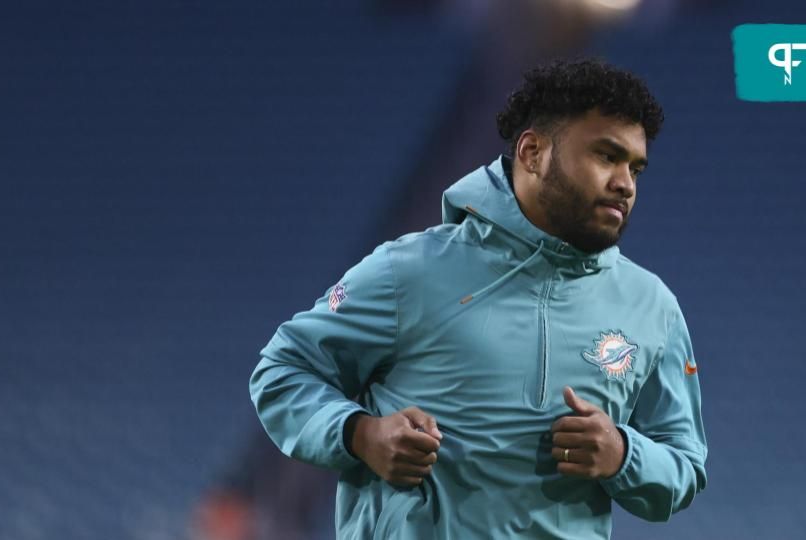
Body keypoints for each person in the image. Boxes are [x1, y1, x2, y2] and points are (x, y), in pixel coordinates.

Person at [249, 58, 708, 539]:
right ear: (532, 152)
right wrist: (361, 434)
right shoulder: (409, 270)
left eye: (635, 167)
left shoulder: (652, 306)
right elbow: (282, 373)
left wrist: (622, 454)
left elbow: (684, 462)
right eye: (605, 156)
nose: (625, 184)